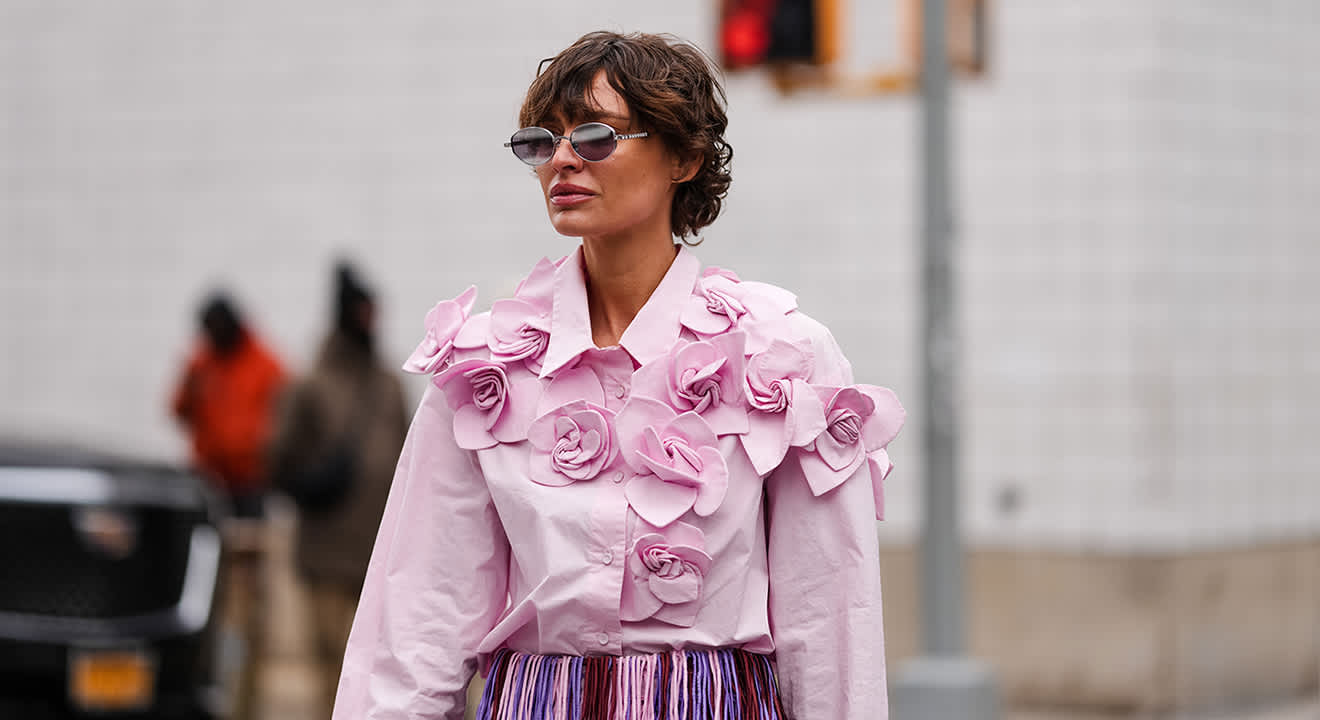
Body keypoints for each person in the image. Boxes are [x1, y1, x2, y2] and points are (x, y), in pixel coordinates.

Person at [333, 31, 905, 720]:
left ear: (685, 157)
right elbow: (418, 617)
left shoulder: (781, 356)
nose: (563, 160)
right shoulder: (484, 368)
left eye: (598, 136)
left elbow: (830, 614)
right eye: (542, 141)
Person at [268, 262, 409, 718]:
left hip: (380, 557)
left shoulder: (389, 385)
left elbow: (413, 462)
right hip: (327, 556)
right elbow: (277, 464)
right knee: (334, 668)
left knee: (382, 670)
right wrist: (313, 483)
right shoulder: (309, 386)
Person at [171, 291, 286, 518]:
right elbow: (178, 410)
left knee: (249, 542)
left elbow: (286, 417)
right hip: (208, 478)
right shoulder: (201, 363)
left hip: (251, 479)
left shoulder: (265, 363)